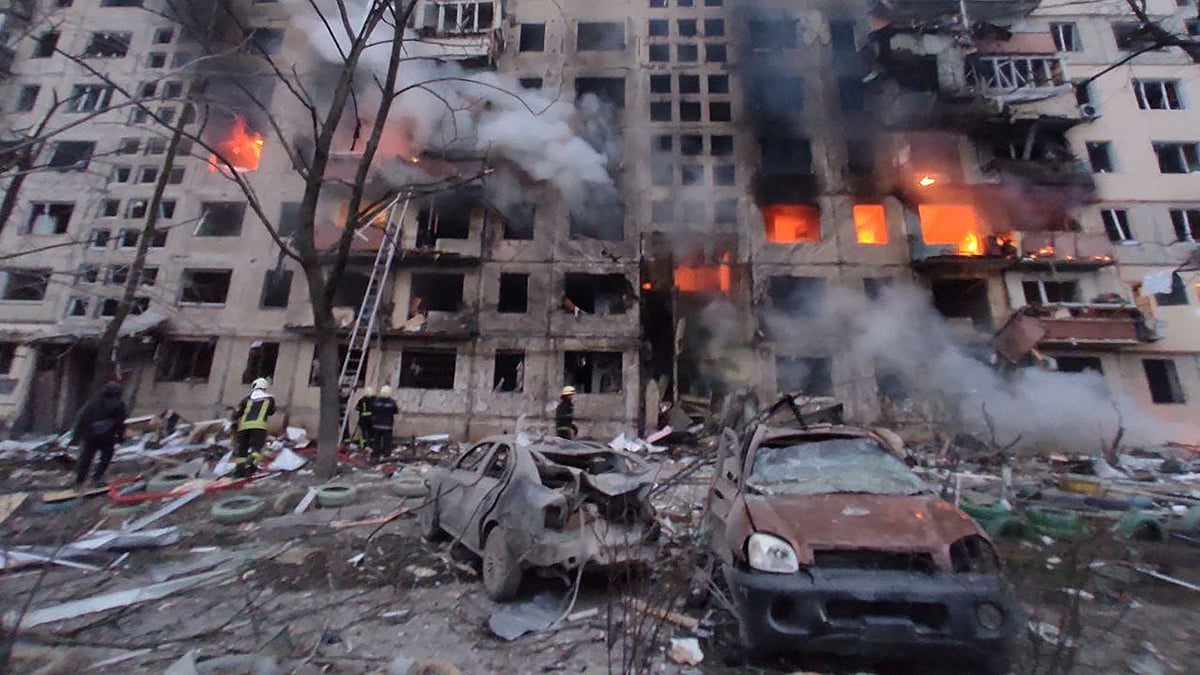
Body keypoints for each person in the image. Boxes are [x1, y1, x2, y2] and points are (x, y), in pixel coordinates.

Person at [72, 381, 127, 488]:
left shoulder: (93, 402)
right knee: (105, 458)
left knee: (86, 458)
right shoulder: (119, 405)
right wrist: (120, 437)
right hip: (107, 436)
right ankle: (96, 479)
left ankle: (79, 481)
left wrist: (76, 437)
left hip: (90, 435)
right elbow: (120, 422)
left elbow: (82, 418)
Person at [231, 377, 276, 478]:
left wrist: (233, 422)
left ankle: (239, 471)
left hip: (243, 427)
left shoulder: (246, 399)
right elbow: (271, 412)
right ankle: (250, 466)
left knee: (242, 449)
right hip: (259, 427)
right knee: (257, 449)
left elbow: (237, 413)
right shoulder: (269, 399)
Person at [366, 385, 398, 461]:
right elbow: (395, 411)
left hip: (376, 425)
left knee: (376, 440)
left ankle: (375, 454)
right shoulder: (391, 402)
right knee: (387, 441)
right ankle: (386, 454)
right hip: (387, 425)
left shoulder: (376, 401)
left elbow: (372, 410)